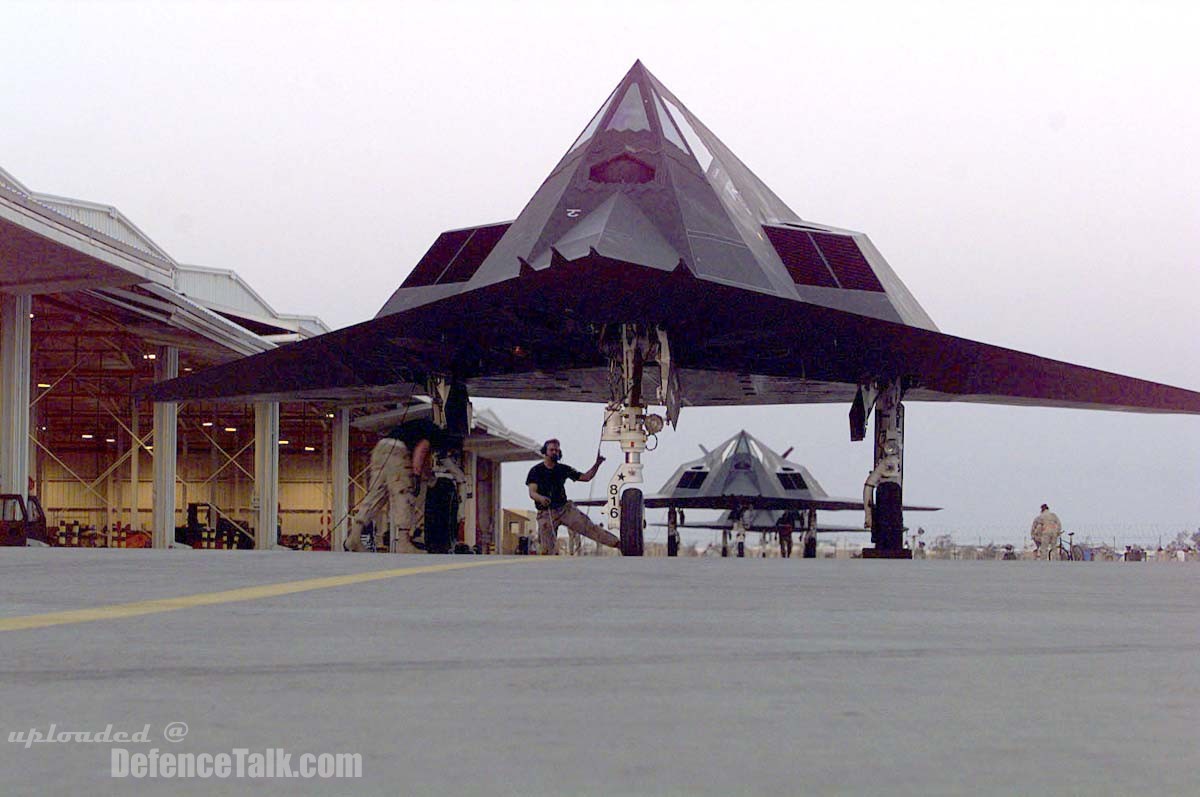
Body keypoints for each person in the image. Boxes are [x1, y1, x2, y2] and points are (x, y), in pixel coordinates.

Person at [345, 419, 438, 553]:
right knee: (403, 494)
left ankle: (354, 537)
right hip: (397, 452)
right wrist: (419, 477)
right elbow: (421, 451)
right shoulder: (437, 433)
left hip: (381, 448)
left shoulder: (418, 426)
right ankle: (403, 542)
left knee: (376, 496)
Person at [526, 439, 620, 555]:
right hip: (546, 513)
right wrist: (541, 498)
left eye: (557, 450)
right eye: (552, 450)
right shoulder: (536, 471)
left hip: (565, 509)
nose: (555, 452)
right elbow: (532, 493)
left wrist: (597, 464)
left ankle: (619, 544)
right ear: (545, 451)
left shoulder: (563, 469)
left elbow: (585, 477)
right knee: (546, 549)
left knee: (589, 527)